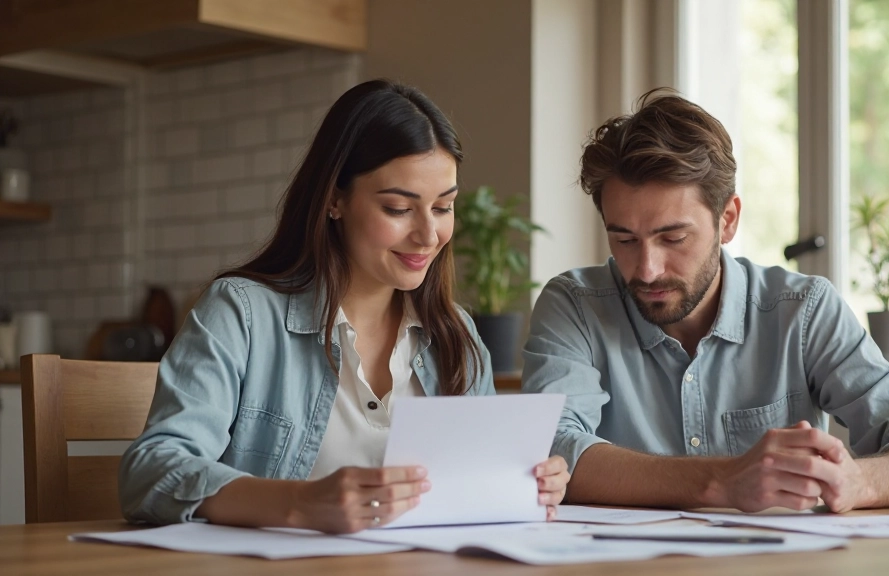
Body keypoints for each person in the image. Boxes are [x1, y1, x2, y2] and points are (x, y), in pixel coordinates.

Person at [119, 80, 569, 534]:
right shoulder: (242, 314)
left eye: (443, 207)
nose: (429, 235)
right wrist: (298, 504)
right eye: (398, 208)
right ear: (335, 199)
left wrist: (525, 483)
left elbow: (475, 495)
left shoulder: (458, 334)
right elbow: (151, 471)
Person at [522, 89, 889, 514]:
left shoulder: (803, 311)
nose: (647, 269)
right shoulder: (575, 306)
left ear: (728, 220)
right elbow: (551, 449)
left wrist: (858, 483)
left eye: (673, 238)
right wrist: (722, 480)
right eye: (624, 239)